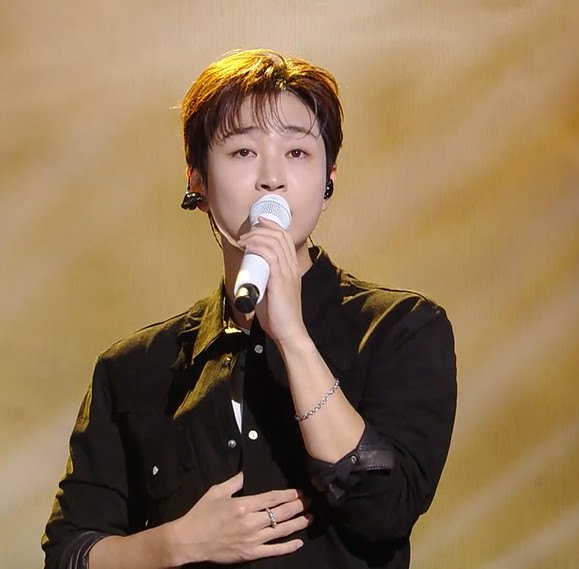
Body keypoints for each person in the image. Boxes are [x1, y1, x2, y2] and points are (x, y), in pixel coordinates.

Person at [42, 49, 457, 569]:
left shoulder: (401, 330)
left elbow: (385, 511)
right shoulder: (133, 369)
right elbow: (68, 554)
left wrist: (292, 336)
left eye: (297, 152)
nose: (271, 177)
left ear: (329, 179)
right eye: (242, 151)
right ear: (197, 181)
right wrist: (178, 543)